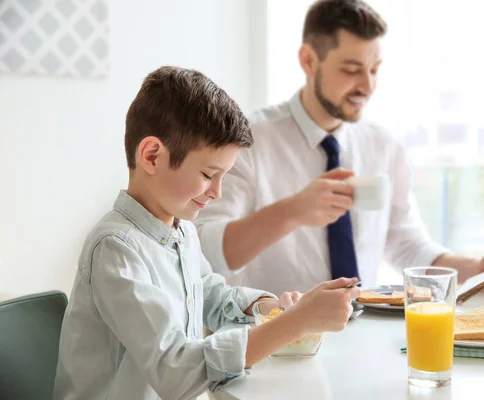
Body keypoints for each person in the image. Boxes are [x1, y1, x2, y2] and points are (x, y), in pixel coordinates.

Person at [53, 66, 360, 400]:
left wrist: (274, 308)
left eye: (224, 176)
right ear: (152, 156)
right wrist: (295, 323)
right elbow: (175, 372)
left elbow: (214, 297)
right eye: (208, 174)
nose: (218, 192)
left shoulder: (182, 231)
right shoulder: (116, 250)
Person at [194, 0, 484, 296]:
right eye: (352, 69)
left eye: (374, 69)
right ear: (309, 61)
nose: (367, 85)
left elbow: (405, 242)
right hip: (281, 336)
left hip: (364, 331)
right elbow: (205, 249)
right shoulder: (248, 141)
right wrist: (292, 211)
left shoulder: (383, 145)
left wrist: (474, 268)